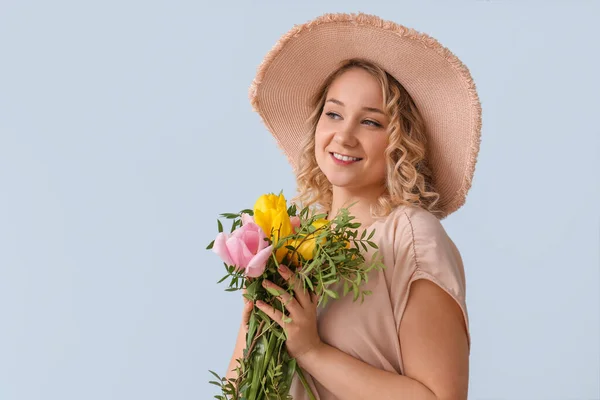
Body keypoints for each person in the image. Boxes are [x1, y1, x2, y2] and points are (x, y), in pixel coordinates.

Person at [226, 12, 482, 400]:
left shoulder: (410, 237)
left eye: (371, 123)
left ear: (400, 140)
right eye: (334, 113)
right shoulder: (296, 237)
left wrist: (312, 351)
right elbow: (238, 391)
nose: (343, 135)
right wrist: (253, 330)